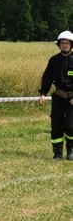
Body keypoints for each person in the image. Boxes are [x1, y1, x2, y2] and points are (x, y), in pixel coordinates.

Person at [39, 30, 73, 160]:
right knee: (56, 125)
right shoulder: (54, 60)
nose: (65, 45)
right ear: (59, 45)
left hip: (72, 100)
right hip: (58, 98)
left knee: (71, 126)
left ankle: (70, 150)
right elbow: (47, 78)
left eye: (67, 43)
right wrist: (43, 93)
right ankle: (57, 152)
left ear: (71, 45)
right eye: (62, 43)